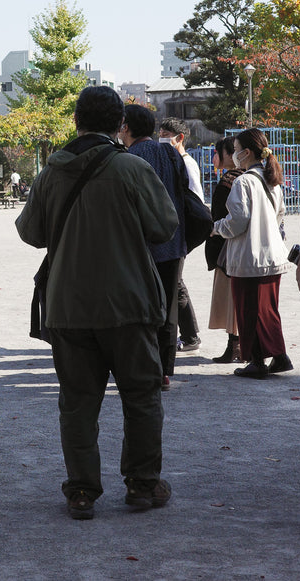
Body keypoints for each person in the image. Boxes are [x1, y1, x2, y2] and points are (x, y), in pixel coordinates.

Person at [17, 86, 178, 520]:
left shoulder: (52, 172)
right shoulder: (132, 168)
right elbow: (165, 227)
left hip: (69, 305)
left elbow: (30, 232)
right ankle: (143, 485)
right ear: (119, 125)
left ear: (75, 120)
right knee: (141, 396)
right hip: (129, 302)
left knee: (77, 402)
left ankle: (82, 491)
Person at [211, 128, 292, 378]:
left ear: (246, 153)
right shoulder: (271, 180)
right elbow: (280, 216)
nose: (234, 155)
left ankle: (257, 361)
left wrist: (216, 228)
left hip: (249, 258)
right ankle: (278, 356)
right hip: (273, 256)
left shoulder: (244, 181)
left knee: (249, 311)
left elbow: (237, 221)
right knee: (267, 310)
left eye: (235, 150)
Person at [121, 104, 189, 390]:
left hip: (141, 246)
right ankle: (164, 371)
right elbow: (184, 188)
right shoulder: (171, 153)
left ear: (126, 127)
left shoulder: (127, 158)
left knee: (141, 309)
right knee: (168, 309)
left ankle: (143, 367)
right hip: (173, 243)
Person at [158, 117, 202, 352]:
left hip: (179, 232)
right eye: (161, 132)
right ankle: (188, 334)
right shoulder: (171, 160)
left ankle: (190, 335)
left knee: (176, 285)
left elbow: (195, 201)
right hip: (174, 232)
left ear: (179, 138)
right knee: (176, 284)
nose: (161, 137)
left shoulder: (186, 163)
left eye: (166, 133)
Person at [205, 136, 245, 364]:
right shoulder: (252, 177)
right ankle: (238, 346)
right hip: (245, 247)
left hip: (227, 247)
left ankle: (235, 346)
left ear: (230, 155)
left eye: (217, 151)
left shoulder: (230, 180)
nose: (214, 157)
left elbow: (221, 216)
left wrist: (212, 230)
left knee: (232, 300)